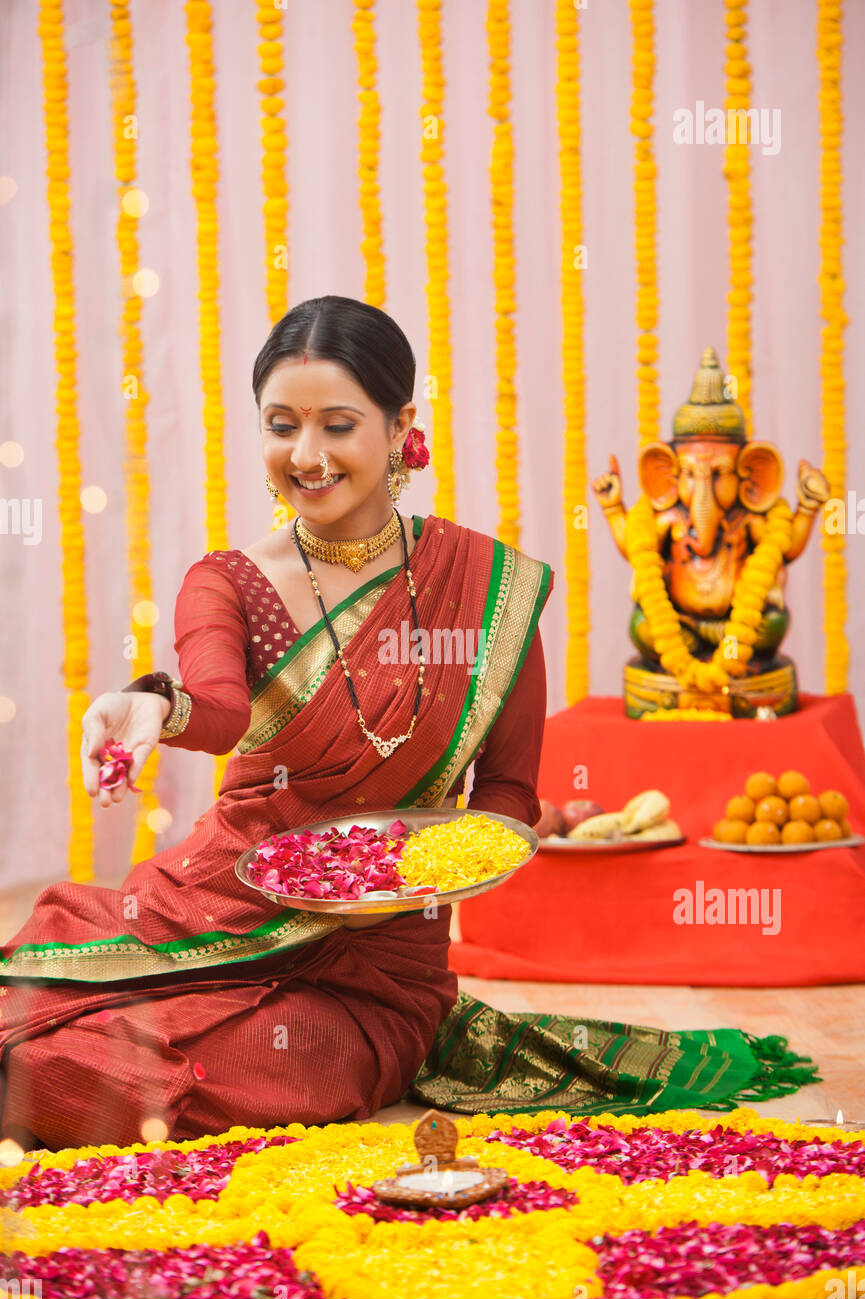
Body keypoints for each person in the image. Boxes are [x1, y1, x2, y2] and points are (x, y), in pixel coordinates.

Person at [0, 297, 817, 1150]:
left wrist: (420, 877)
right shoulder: (229, 583)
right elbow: (221, 712)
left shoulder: (487, 587)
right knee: (30, 1010)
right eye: (282, 425)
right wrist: (154, 705)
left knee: (117, 1074)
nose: (306, 456)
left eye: (338, 425)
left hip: (372, 975)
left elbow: (504, 793)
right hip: (208, 909)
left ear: (400, 428)